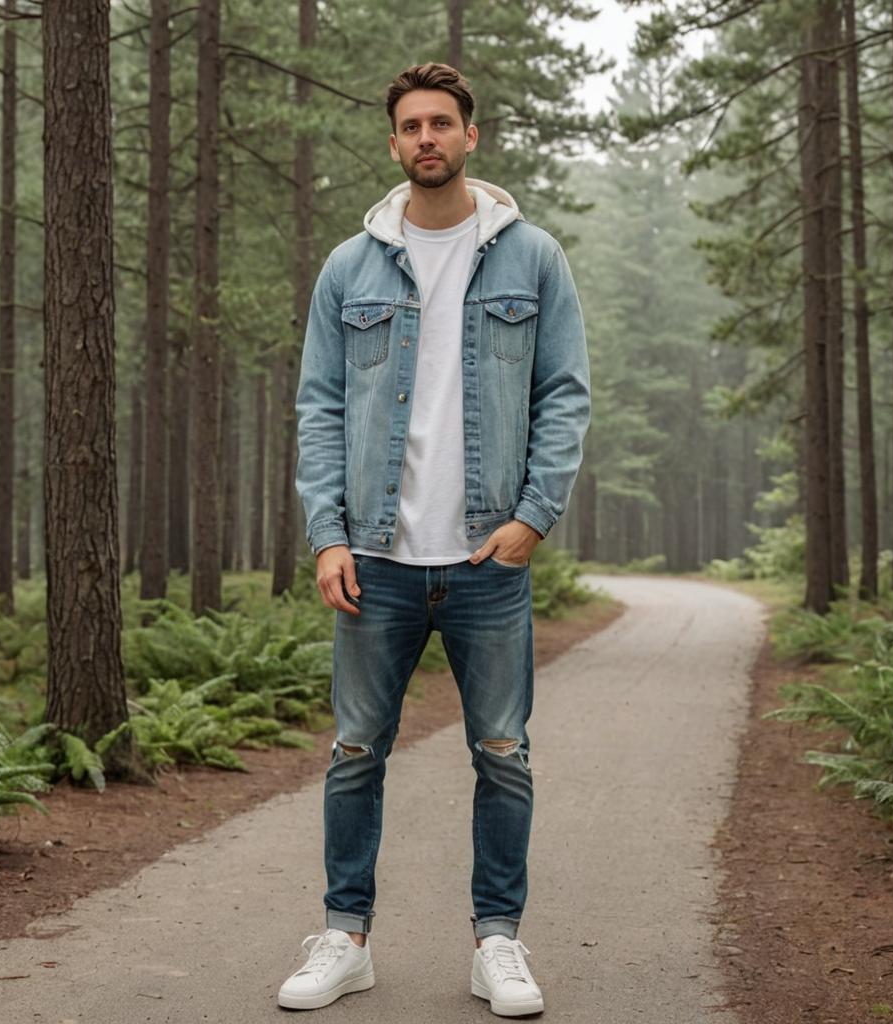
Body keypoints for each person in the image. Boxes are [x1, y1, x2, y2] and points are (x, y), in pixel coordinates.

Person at [280, 62, 591, 1017]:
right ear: (393, 143)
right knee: (354, 753)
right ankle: (346, 938)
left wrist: (532, 518)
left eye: (442, 123)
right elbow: (321, 407)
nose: (426, 137)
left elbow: (565, 395)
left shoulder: (531, 257)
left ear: (471, 137)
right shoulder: (350, 266)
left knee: (503, 753)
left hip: (485, 560)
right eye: (411, 125)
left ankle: (497, 942)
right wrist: (328, 534)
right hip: (375, 557)